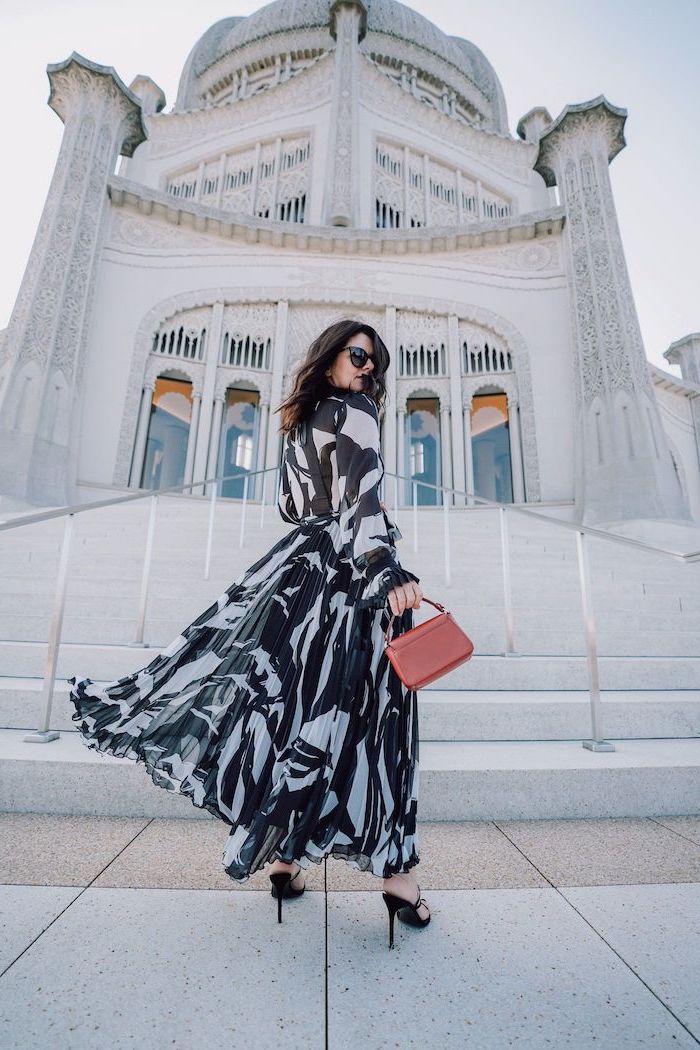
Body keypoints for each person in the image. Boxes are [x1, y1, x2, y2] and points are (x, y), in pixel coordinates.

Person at [67, 318, 430, 949]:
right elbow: (365, 505)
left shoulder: (300, 423)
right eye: (359, 355)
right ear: (332, 357)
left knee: (293, 712)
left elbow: (295, 510)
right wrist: (383, 567)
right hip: (350, 583)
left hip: (296, 574)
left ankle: (283, 861)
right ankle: (399, 882)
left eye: (377, 362)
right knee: (374, 723)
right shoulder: (355, 416)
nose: (369, 369)